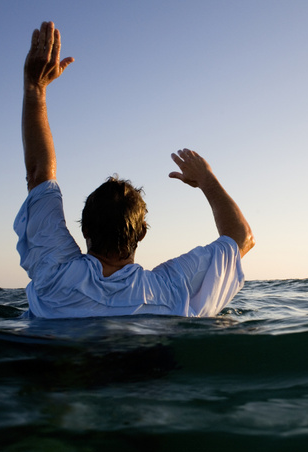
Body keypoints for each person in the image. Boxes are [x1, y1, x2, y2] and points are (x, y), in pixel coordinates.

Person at [15, 21, 254, 318]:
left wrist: (35, 88)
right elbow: (241, 237)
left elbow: (39, 174)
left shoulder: (53, 275)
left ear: (84, 228)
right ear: (141, 233)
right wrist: (206, 179)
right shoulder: (172, 287)